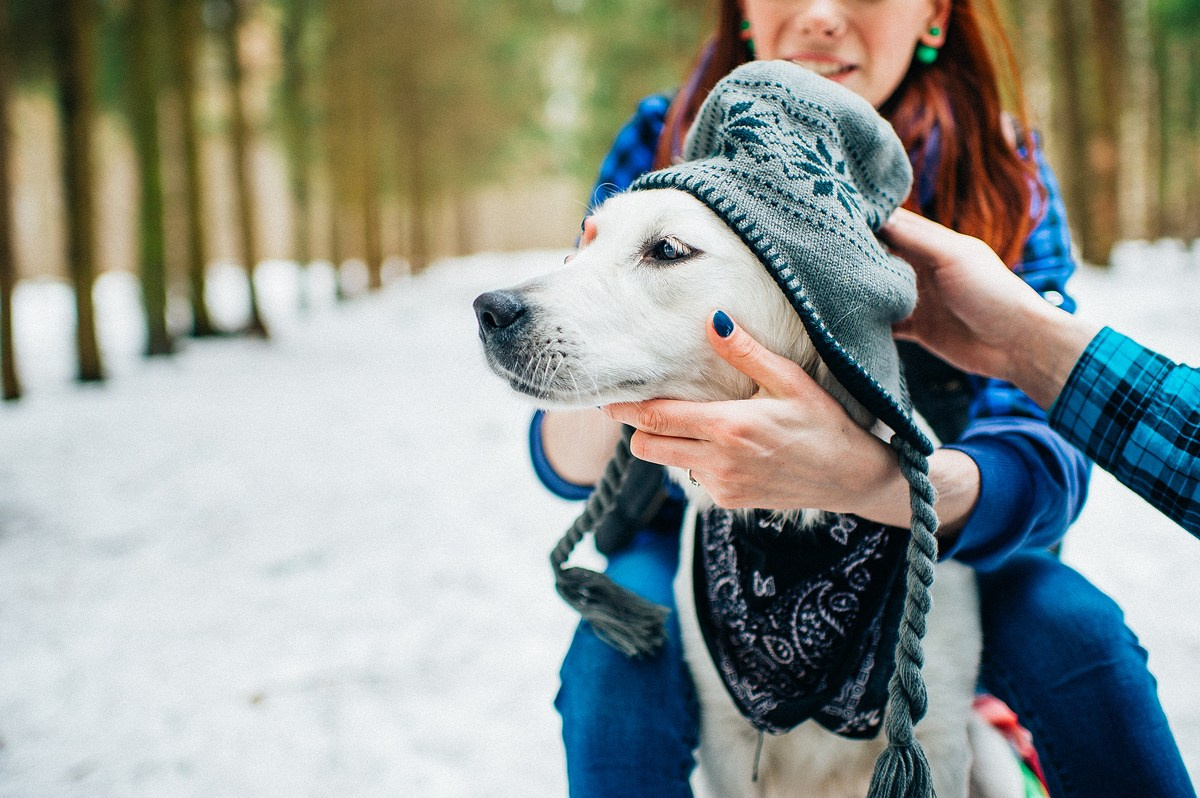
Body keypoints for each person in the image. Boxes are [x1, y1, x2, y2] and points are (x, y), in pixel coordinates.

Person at [532, 1, 1198, 796]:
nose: (820, 14)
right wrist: (586, 365)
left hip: (941, 541)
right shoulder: (664, 136)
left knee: (1078, 634)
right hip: (695, 530)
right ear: (742, 11)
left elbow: (1047, 455)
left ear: (934, 16)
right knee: (614, 666)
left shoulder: (995, 162)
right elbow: (566, 459)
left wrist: (885, 485)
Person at [883, 207, 1200, 537]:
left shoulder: (1009, 176)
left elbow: (1051, 473)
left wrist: (884, 485)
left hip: (984, 530)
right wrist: (1023, 340)